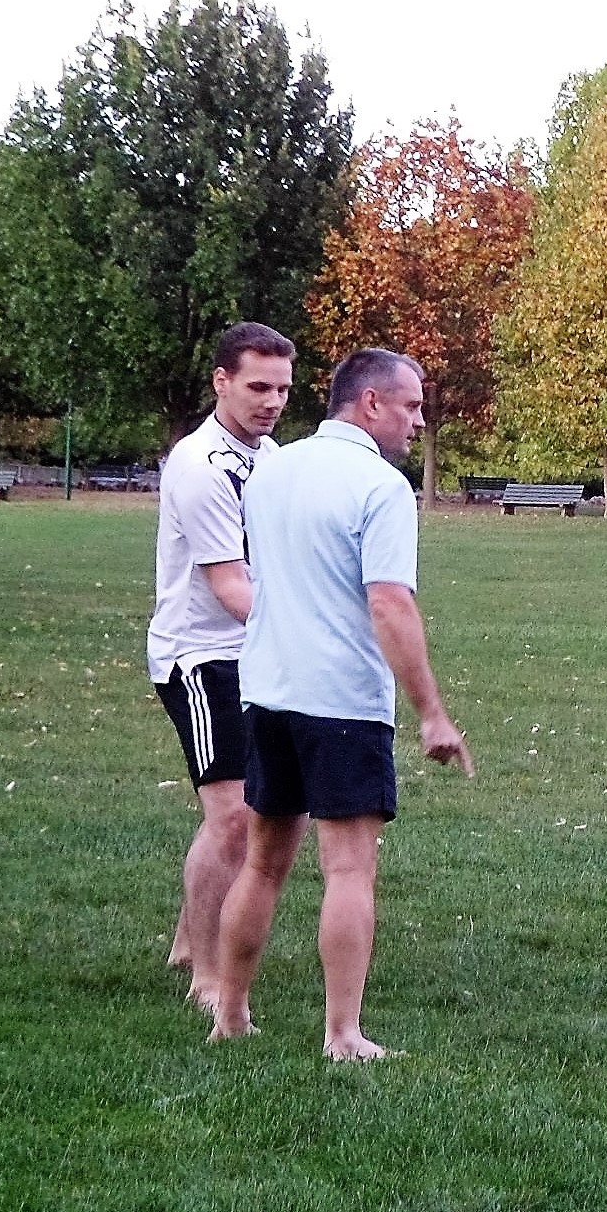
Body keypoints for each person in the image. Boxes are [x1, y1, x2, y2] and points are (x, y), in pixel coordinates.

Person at [210, 348, 472, 1060]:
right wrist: (432, 712)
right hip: (342, 702)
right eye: (412, 406)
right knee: (350, 868)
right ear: (371, 405)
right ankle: (342, 1034)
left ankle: (229, 1014)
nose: (419, 420)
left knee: (263, 863)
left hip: (267, 693)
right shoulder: (380, 488)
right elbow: (388, 602)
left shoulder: (272, 470)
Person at [149, 322, 293, 1012]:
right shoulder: (202, 466)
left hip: (254, 652)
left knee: (237, 811)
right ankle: (208, 974)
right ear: (222, 382)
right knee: (234, 818)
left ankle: (185, 939)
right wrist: (311, 630)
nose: (271, 401)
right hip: (200, 657)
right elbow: (230, 589)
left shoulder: (272, 458)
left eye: (283, 389)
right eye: (258, 386)